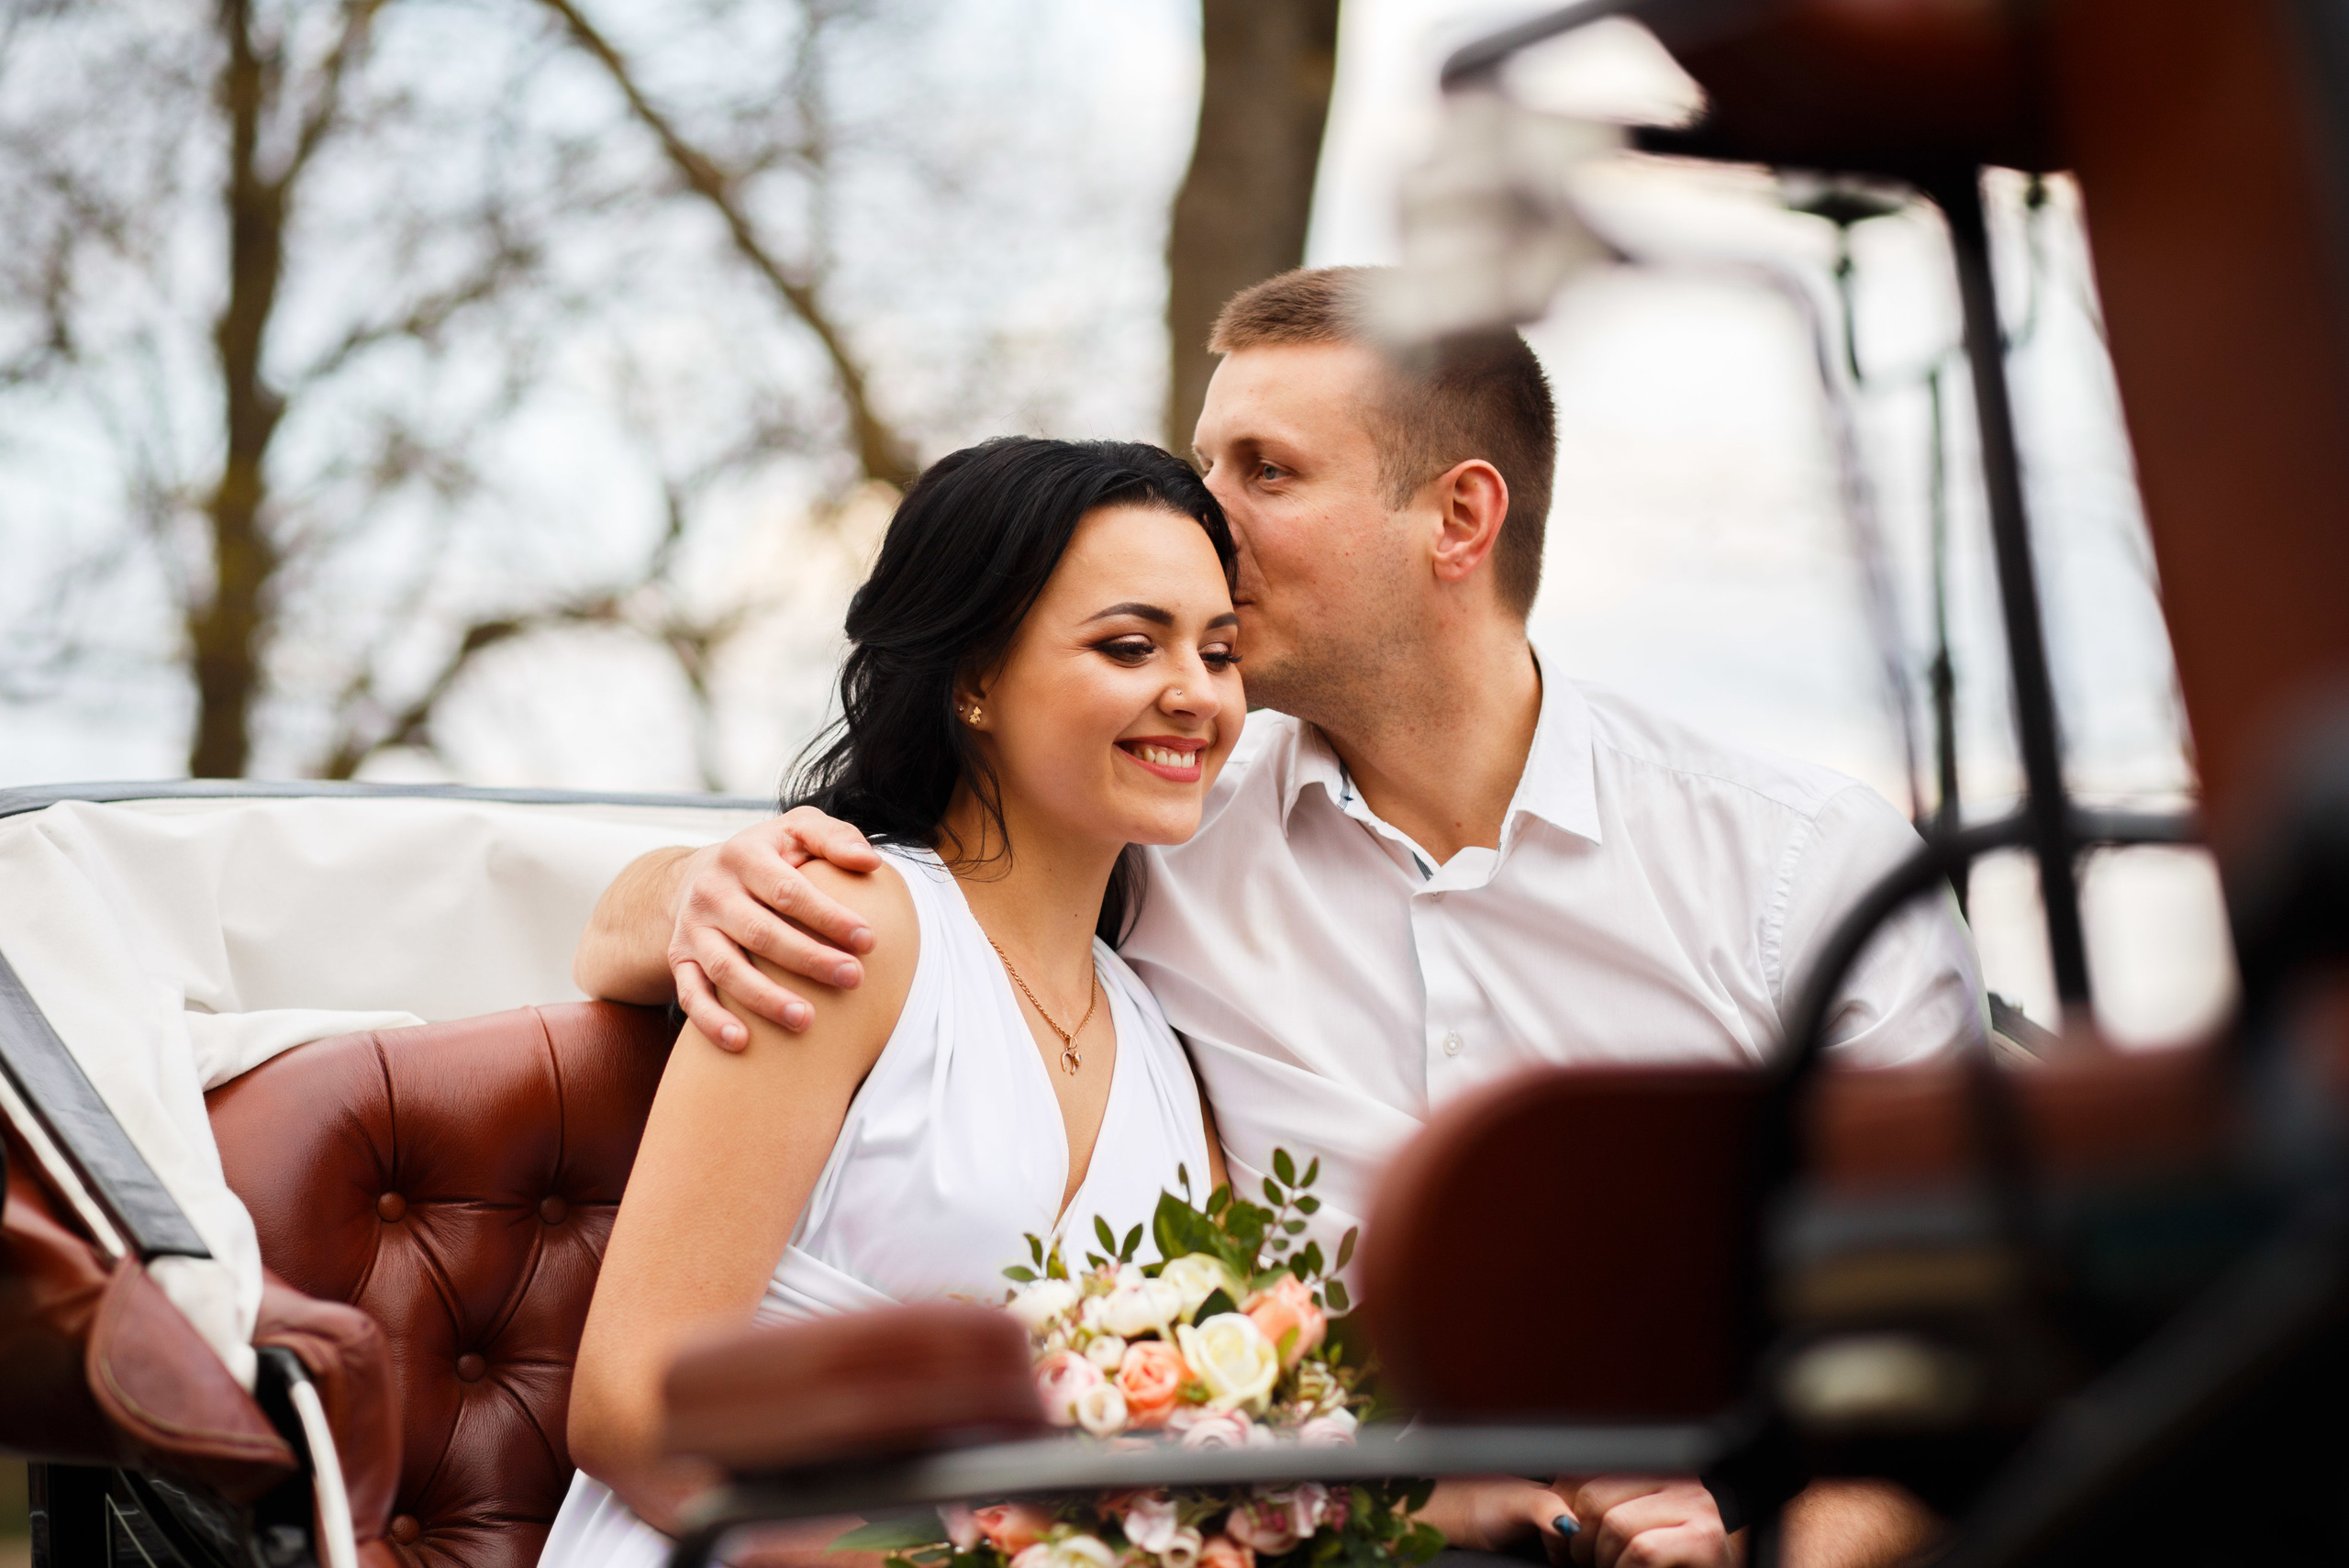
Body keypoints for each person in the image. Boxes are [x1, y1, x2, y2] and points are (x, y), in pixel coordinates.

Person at [574, 268, 1979, 1568]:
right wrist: (690, 892)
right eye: (1203, 467)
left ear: (1458, 518)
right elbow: (884, 887)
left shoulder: (1801, 867)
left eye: (1266, 472)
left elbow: (1943, 1364)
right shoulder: (1156, 838)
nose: (1208, 518)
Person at [544, 438, 1241, 1568]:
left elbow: (1213, 1435)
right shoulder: (839, 927)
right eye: (1129, 644)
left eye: (1220, 650)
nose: (1195, 693)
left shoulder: (1162, 1043)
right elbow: (633, 1412)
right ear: (974, 679)